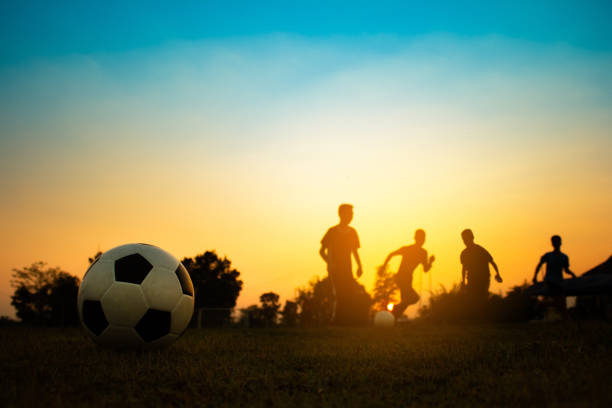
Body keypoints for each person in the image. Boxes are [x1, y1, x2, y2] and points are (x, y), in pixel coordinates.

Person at [319, 204, 363, 325]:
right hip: (335, 269)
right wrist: (330, 263)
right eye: (349, 213)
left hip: (348, 269)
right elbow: (321, 251)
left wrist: (360, 266)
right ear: (341, 214)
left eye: (352, 214)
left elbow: (354, 251)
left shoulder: (353, 232)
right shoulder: (332, 231)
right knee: (338, 294)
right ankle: (334, 321)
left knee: (349, 294)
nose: (351, 216)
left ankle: (346, 322)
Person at [381, 229, 435, 319]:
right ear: (416, 239)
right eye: (421, 238)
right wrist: (384, 266)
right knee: (414, 298)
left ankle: (393, 317)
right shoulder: (408, 249)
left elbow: (425, 269)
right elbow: (391, 254)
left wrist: (430, 262)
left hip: (408, 278)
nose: (422, 241)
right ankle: (396, 308)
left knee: (405, 301)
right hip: (401, 277)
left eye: (423, 238)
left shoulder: (423, 253)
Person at [533, 235, 576, 318]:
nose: (556, 243)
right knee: (559, 300)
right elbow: (539, 265)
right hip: (550, 281)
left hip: (559, 281)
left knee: (560, 301)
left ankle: (543, 305)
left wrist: (572, 274)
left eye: (557, 241)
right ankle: (564, 317)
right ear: (552, 244)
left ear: (560, 243)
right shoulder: (548, 256)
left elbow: (566, 270)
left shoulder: (564, 257)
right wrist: (535, 276)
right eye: (554, 242)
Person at [460, 229, 502, 301]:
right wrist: (463, 282)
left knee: (481, 298)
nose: (465, 241)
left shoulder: (481, 250)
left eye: (466, 238)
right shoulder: (464, 254)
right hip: (471, 280)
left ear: (472, 237)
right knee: (473, 299)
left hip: (483, 280)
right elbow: (464, 268)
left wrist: (497, 273)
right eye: (464, 239)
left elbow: (492, 262)